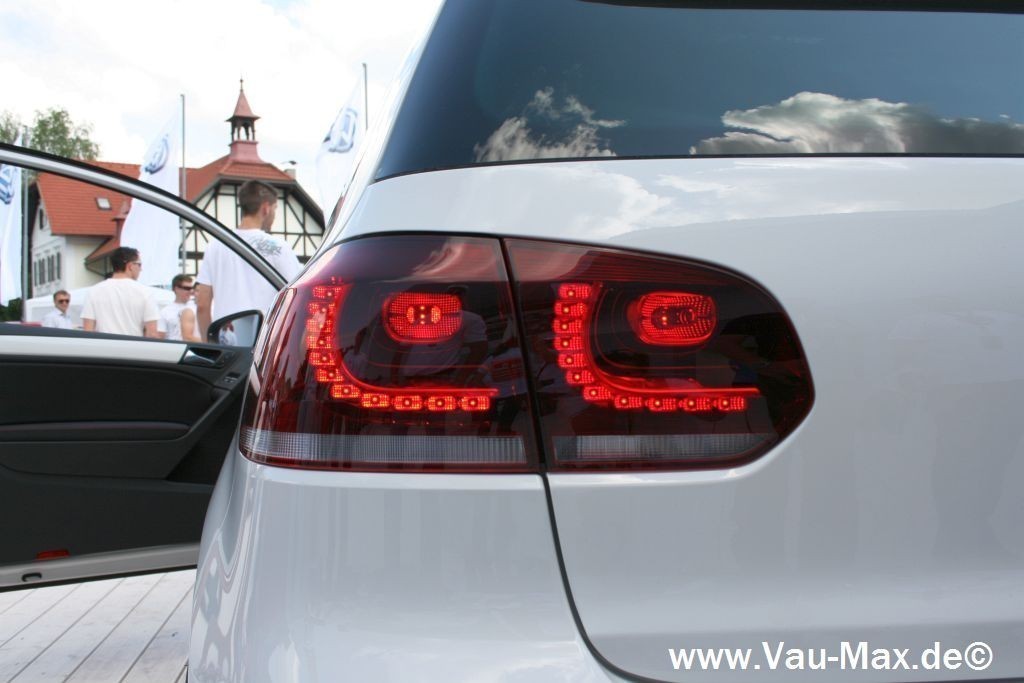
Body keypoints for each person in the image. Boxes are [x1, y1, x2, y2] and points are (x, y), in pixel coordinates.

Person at [195, 180, 300, 345]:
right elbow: (297, 296)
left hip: (226, 344)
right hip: (264, 344)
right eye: (275, 209)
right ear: (266, 208)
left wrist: (210, 344)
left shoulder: (215, 246)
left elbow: (202, 303)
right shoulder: (279, 247)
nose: (274, 215)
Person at [81, 247, 159, 337]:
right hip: (133, 345)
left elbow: (88, 331)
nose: (141, 269)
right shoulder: (145, 292)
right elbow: (152, 333)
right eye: (139, 265)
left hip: (104, 345)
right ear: (130, 266)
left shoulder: (93, 291)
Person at [157, 274, 200, 342]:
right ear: (176, 289)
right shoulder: (165, 312)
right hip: (175, 347)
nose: (191, 291)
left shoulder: (197, 306)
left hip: (194, 346)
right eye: (187, 288)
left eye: (192, 288)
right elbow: (160, 337)